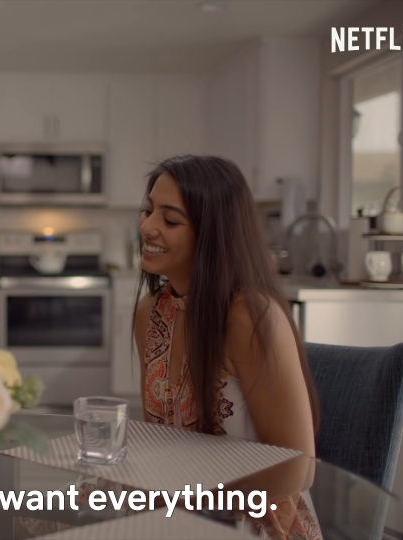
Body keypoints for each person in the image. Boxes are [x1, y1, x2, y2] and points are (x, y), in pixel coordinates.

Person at [133, 155, 321, 538]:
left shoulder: (250, 317)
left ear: (213, 233)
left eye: (170, 220)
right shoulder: (150, 314)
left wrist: (190, 502)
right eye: (148, 211)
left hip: (254, 520)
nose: (147, 227)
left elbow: (298, 468)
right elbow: (162, 439)